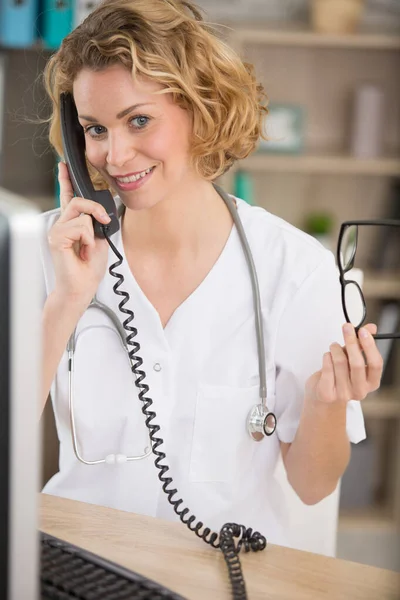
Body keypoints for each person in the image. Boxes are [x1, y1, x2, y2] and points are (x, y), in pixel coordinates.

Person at [40, 0, 383, 552]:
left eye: (139, 120)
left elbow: (313, 487)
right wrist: (66, 302)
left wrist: (326, 402)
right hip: (79, 565)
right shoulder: (52, 252)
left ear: (200, 109)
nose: (115, 154)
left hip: (222, 576)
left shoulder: (293, 269)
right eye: (94, 129)